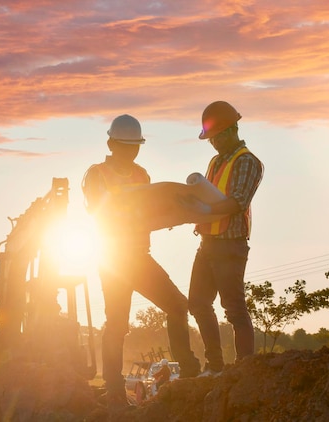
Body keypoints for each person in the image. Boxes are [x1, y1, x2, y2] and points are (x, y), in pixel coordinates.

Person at [82, 114, 201, 410]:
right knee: (118, 323)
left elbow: (147, 214)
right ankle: (114, 390)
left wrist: (176, 213)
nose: (131, 152)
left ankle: (188, 371)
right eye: (125, 146)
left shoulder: (142, 174)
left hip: (138, 256)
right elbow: (102, 210)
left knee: (176, 305)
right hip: (113, 258)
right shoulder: (96, 174)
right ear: (111, 144)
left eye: (135, 147)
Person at [180, 101, 264, 378]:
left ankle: (245, 372)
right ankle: (215, 366)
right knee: (198, 303)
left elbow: (237, 202)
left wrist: (202, 210)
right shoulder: (216, 162)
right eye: (210, 138)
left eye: (216, 137)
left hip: (230, 245)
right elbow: (207, 196)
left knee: (234, 309)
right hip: (208, 243)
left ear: (231, 130)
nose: (213, 143)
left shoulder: (248, 162)